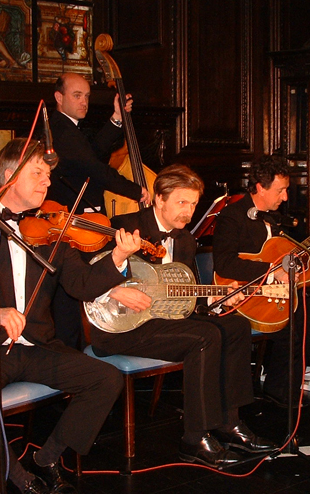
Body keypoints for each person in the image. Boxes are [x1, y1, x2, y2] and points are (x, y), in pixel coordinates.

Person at [0, 138, 144, 494]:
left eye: (48, 174)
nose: (47, 181)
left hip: (38, 347)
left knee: (106, 379)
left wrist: (118, 257)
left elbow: (82, 285)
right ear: (9, 177)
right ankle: (17, 477)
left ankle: (46, 458)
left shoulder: (51, 231)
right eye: (38, 173)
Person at [87, 164, 277, 468]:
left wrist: (216, 298)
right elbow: (82, 271)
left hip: (166, 320)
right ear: (159, 199)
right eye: (181, 202)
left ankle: (229, 423)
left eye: (193, 204)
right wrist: (114, 289)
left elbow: (186, 293)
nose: (188, 212)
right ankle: (194, 438)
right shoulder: (124, 226)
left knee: (236, 325)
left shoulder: (185, 240)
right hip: (120, 325)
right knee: (205, 337)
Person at [212, 155, 310, 407]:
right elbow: (224, 264)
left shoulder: (275, 218)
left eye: (286, 190)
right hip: (242, 292)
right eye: (280, 190)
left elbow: (287, 258)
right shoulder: (232, 216)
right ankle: (284, 388)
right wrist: (271, 273)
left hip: (272, 291)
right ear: (260, 187)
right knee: (295, 320)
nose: (284, 197)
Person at [47, 72, 151, 350]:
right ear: (59, 97)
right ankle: (76, 350)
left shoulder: (70, 128)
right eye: (76, 96)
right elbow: (95, 168)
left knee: (85, 284)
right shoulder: (60, 129)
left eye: (87, 96)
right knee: (75, 292)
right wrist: (135, 190)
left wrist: (116, 118)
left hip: (84, 221)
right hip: (72, 225)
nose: (84, 102)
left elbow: (93, 153)